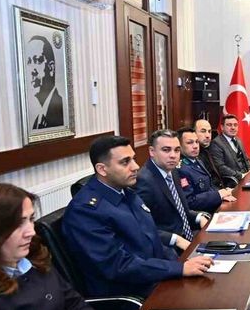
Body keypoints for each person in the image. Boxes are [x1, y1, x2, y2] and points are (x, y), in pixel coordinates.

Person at [62, 135, 212, 298]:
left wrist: (182, 263)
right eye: (125, 162)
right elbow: (118, 265)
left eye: (133, 159)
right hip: (131, 293)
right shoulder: (86, 211)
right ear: (102, 169)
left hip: (155, 276)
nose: (135, 167)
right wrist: (178, 268)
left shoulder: (126, 192)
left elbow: (152, 238)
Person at [133, 129, 210, 243]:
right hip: (169, 247)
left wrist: (199, 218)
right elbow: (143, 228)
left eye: (177, 150)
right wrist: (176, 240)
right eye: (166, 150)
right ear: (152, 151)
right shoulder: (144, 180)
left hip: (189, 236)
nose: (173, 155)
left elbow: (181, 211)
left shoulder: (173, 171)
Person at [177, 127, 236, 213]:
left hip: (214, 205)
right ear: (179, 146)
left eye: (197, 142)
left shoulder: (198, 161)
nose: (195, 146)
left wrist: (223, 193)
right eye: (190, 143)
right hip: (203, 214)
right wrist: (218, 195)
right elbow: (190, 201)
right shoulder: (181, 169)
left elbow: (209, 185)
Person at [26, 35, 63, 129]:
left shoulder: (61, 110)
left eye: (37, 61)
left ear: (51, 68)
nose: (32, 70)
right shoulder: (37, 119)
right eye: (29, 62)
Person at [207, 115, 250, 186]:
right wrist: (241, 175)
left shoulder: (238, 140)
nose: (233, 128)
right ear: (222, 127)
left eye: (235, 125)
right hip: (233, 181)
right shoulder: (216, 143)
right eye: (229, 125)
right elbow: (220, 167)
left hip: (246, 178)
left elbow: (246, 159)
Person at [194, 119, 226, 188]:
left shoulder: (211, 149)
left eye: (209, 131)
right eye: (203, 131)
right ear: (194, 133)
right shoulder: (192, 154)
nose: (208, 135)